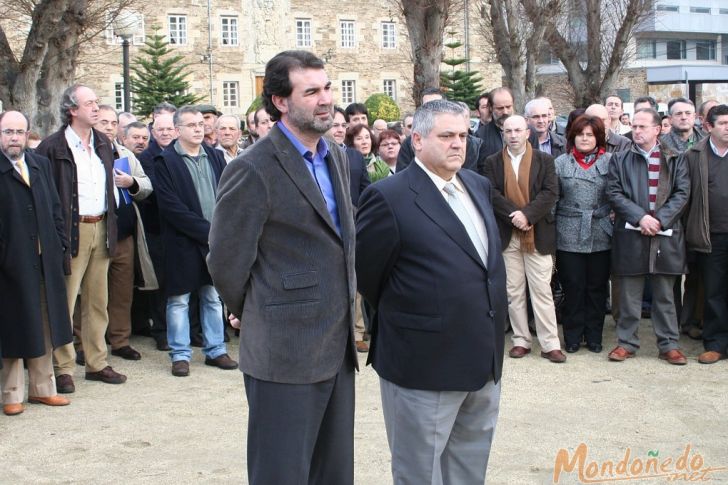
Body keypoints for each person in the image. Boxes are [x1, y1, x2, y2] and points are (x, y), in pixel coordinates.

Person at [207, 50, 358, 485]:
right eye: (311, 91)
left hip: (337, 346)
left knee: (333, 474)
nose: (326, 99)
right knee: (282, 474)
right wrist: (250, 308)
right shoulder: (251, 168)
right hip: (283, 352)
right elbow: (225, 259)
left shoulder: (335, 157)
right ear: (279, 101)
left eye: (327, 88)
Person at [356, 99, 505, 485]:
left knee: (469, 469)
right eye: (447, 136)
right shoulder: (388, 197)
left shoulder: (477, 184)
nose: (458, 144)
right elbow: (370, 278)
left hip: (482, 361)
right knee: (419, 473)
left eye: (463, 135)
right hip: (422, 366)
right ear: (417, 140)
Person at [36, 84, 126, 392]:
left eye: (97, 103)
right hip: (71, 231)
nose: (97, 108)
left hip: (101, 226)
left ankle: (97, 362)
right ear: (72, 109)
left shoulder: (103, 142)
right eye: (90, 103)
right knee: (63, 300)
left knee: (97, 301)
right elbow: (44, 195)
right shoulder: (52, 146)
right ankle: (62, 367)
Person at [154, 105, 237, 377]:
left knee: (213, 297)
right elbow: (170, 207)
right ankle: (180, 354)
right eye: (192, 125)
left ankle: (215, 350)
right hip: (182, 242)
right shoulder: (166, 162)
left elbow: (227, 196)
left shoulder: (215, 157)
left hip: (213, 241)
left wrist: (220, 232)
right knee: (179, 300)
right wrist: (207, 232)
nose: (199, 129)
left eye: (201, 124)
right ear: (178, 130)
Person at [0, 111, 73, 416]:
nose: (14, 137)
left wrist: (59, 243)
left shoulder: (39, 164)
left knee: (45, 323)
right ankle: (11, 392)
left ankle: (44, 389)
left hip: (45, 259)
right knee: (14, 324)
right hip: (10, 262)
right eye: (7, 132)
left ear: (28, 134)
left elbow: (56, 208)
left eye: (19, 132)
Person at [606, 108, 690, 365]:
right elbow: (614, 192)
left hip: (666, 234)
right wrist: (640, 217)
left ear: (657, 129)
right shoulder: (619, 159)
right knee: (630, 293)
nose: (637, 131)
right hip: (632, 232)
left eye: (643, 126)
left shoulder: (675, 158)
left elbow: (682, 193)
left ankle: (668, 344)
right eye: (635, 126)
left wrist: (660, 219)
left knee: (665, 293)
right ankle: (626, 343)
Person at [482, 115, 565, 363]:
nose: (514, 135)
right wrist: (514, 216)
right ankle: (521, 340)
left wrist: (527, 215)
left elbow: (551, 193)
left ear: (527, 133)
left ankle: (550, 344)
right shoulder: (493, 162)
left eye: (518, 130)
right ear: (503, 134)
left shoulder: (545, 160)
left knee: (541, 290)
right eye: (509, 131)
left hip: (537, 233)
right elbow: (492, 193)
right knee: (513, 291)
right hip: (508, 234)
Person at [93, 105, 155, 362]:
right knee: (92, 292)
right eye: (103, 122)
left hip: (125, 233)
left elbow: (147, 185)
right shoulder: (85, 154)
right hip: (96, 230)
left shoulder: (125, 154)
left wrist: (133, 183)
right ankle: (86, 344)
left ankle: (120, 340)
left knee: (122, 291)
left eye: (112, 122)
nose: (109, 127)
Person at [554, 115, 613, 353]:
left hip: (600, 231)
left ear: (598, 137)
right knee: (573, 286)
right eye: (580, 134)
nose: (585, 139)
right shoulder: (560, 163)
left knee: (597, 287)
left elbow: (618, 194)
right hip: (569, 231)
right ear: (573, 137)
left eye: (590, 134)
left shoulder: (611, 161)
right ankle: (573, 336)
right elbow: (554, 199)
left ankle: (595, 335)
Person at [684, 104, 728, 364]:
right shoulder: (695, 156)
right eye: (722, 123)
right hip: (711, 236)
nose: (727, 127)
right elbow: (686, 197)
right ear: (708, 127)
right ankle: (716, 343)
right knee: (714, 292)